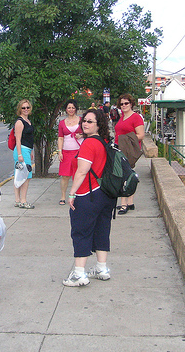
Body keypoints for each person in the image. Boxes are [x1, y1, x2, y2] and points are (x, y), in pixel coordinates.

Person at [64, 109, 116, 287]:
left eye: (90, 121)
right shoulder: (104, 142)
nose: (85, 124)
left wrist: (72, 193)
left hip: (88, 194)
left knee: (81, 232)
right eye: (84, 121)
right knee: (102, 229)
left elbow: (81, 171)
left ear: (98, 125)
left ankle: (79, 273)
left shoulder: (88, 144)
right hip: (105, 195)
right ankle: (102, 269)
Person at [114, 93, 145, 215]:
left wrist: (125, 140)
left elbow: (141, 135)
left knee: (123, 176)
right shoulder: (122, 117)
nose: (123, 105)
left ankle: (123, 204)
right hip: (119, 149)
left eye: (126, 103)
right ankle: (130, 202)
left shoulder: (135, 117)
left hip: (128, 150)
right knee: (127, 175)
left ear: (131, 103)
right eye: (121, 104)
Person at [57, 99, 83, 205]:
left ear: (76, 109)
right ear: (66, 109)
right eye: (69, 108)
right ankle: (63, 196)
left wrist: (81, 135)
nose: (71, 110)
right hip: (66, 152)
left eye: (73, 107)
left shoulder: (82, 120)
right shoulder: (62, 123)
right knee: (65, 175)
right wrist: (60, 152)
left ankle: (77, 195)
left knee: (78, 174)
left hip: (79, 151)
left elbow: (89, 132)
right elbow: (60, 138)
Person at [13, 99, 35, 209]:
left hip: (26, 150)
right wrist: (20, 154)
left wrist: (31, 151)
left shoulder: (27, 121)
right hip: (21, 150)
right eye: (23, 108)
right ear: (19, 109)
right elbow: (18, 139)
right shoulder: (19, 122)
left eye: (27, 107)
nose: (26, 109)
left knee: (20, 175)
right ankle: (23, 200)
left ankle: (18, 200)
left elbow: (29, 138)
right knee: (26, 176)